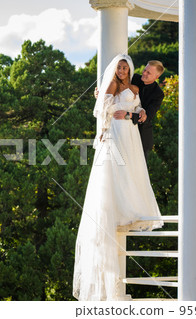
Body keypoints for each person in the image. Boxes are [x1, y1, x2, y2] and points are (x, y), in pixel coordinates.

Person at [73, 54, 163, 301]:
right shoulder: (114, 83)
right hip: (117, 132)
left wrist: (138, 112)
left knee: (132, 171)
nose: (125, 70)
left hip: (133, 135)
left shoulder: (140, 88)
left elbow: (141, 108)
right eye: (120, 67)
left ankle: (132, 206)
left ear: (156, 76)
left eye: (127, 67)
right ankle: (117, 207)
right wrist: (104, 101)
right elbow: (104, 108)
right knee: (116, 169)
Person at [95, 60, 165, 161]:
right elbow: (114, 92)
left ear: (156, 77)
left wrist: (128, 115)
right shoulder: (134, 78)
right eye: (145, 70)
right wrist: (100, 96)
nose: (144, 73)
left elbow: (148, 118)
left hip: (141, 136)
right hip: (120, 130)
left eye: (148, 73)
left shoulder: (158, 94)